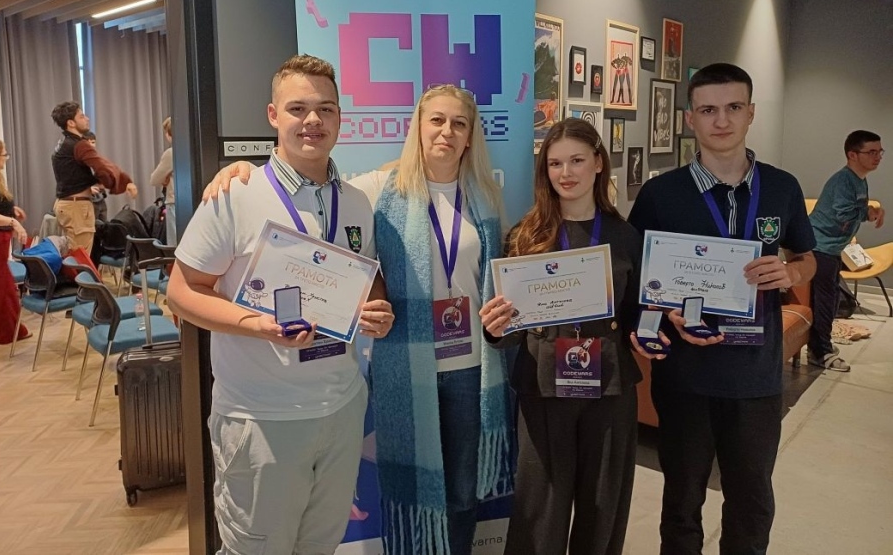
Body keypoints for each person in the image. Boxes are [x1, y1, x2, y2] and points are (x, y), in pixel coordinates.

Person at [203, 84, 515, 555]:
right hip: (407, 370)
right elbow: (313, 185)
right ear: (418, 127)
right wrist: (239, 171)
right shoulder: (379, 190)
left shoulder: (485, 198)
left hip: (471, 368)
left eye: (459, 123)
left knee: (463, 493)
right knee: (416, 492)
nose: (446, 132)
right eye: (436, 120)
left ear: (470, 135)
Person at [168, 55, 394, 555]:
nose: (313, 120)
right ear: (273, 115)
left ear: (340, 118)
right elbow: (181, 292)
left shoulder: (355, 201)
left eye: (326, 109)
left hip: (341, 409)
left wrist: (376, 308)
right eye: (298, 108)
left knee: (320, 545)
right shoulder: (236, 193)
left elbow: (366, 279)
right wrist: (258, 325)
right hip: (260, 418)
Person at [627, 63, 817, 554]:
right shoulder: (660, 194)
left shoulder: (782, 187)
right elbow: (638, 283)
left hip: (755, 375)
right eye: (708, 110)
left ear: (751, 113)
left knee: (751, 502)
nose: (722, 120)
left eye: (733, 107)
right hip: (685, 376)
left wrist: (791, 274)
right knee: (681, 501)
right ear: (690, 118)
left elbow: (808, 258)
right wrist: (660, 314)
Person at [479, 118, 665, 555]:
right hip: (543, 389)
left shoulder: (625, 237)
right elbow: (510, 331)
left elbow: (637, 314)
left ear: (598, 163)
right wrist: (495, 329)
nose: (566, 173)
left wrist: (647, 334)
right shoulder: (524, 237)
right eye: (555, 163)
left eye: (577, 161)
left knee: (603, 508)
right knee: (539, 513)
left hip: (610, 389)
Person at [808, 130, 885, 372]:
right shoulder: (843, 180)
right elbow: (844, 212)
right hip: (819, 246)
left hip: (832, 248)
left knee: (830, 300)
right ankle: (821, 352)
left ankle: (819, 346)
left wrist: (870, 210)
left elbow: (855, 208)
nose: (877, 157)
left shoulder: (859, 179)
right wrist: (868, 212)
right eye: (871, 152)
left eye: (879, 152)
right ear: (852, 154)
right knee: (824, 302)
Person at [51, 102, 137, 254]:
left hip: (66, 205)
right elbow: (102, 165)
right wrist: (124, 182)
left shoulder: (63, 143)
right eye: (81, 116)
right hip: (77, 208)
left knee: (73, 254)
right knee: (80, 257)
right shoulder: (79, 145)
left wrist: (98, 182)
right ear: (71, 123)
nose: (87, 119)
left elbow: (75, 173)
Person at [0, 139, 32, 351]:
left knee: (6, 285)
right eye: (4, 155)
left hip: (0, 238)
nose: (6, 159)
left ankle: (11, 331)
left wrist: (11, 210)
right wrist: (12, 222)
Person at [150, 116, 176, 245]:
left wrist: (165, 177)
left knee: (174, 244)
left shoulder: (171, 153)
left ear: (169, 134)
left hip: (174, 202)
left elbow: (154, 180)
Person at [83, 131, 109, 223]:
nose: (91, 145)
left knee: (104, 226)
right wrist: (88, 189)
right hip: (87, 201)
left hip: (100, 199)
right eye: (88, 143)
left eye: (93, 142)